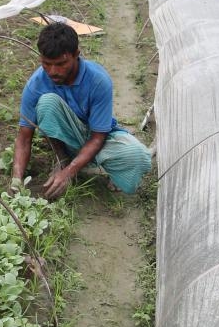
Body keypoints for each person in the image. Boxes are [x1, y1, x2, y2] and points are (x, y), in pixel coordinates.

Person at [10, 22, 152, 199]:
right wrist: (16, 179)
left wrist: (69, 173)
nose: (52, 71)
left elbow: (98, 136)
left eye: (61, 64)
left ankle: (76, 167)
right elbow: (24, 137)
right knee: (47, 102)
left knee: (137, 156)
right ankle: (63, 160)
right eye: (46, 64)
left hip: (97, 137)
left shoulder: (98, 80)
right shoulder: (37, 84)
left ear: (76, 55)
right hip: (65, 140)